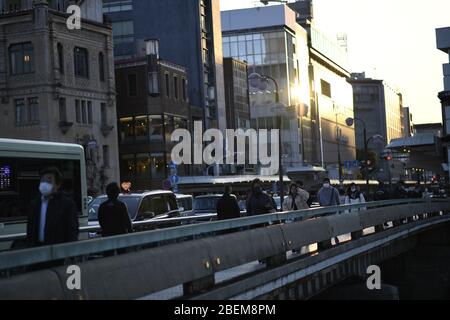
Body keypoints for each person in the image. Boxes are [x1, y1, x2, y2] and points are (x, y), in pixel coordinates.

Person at [27, 167, 79, 247]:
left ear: (58, 185)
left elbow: (72, 231)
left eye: (49, 181)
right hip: (37, 251)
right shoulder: (35, 204)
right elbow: (30, 230)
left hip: (58, 252)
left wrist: (69, 253)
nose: (44, 184)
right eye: (42, 181)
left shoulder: (67, 204)